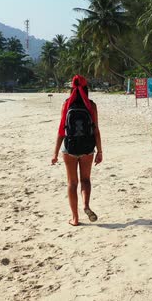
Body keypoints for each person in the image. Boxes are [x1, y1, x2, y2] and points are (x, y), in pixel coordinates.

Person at [52, 75, 103, 226]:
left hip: (70, 148)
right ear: (86, 88)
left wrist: (55, 154)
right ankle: (86, 205)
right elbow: (96, 130)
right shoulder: (91, 106)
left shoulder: (66, 104)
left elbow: (61, 131)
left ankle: (75, 218)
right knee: (86, 180)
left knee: (72, 183)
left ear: (71, 89)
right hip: (87, 147)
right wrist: (99, 151)